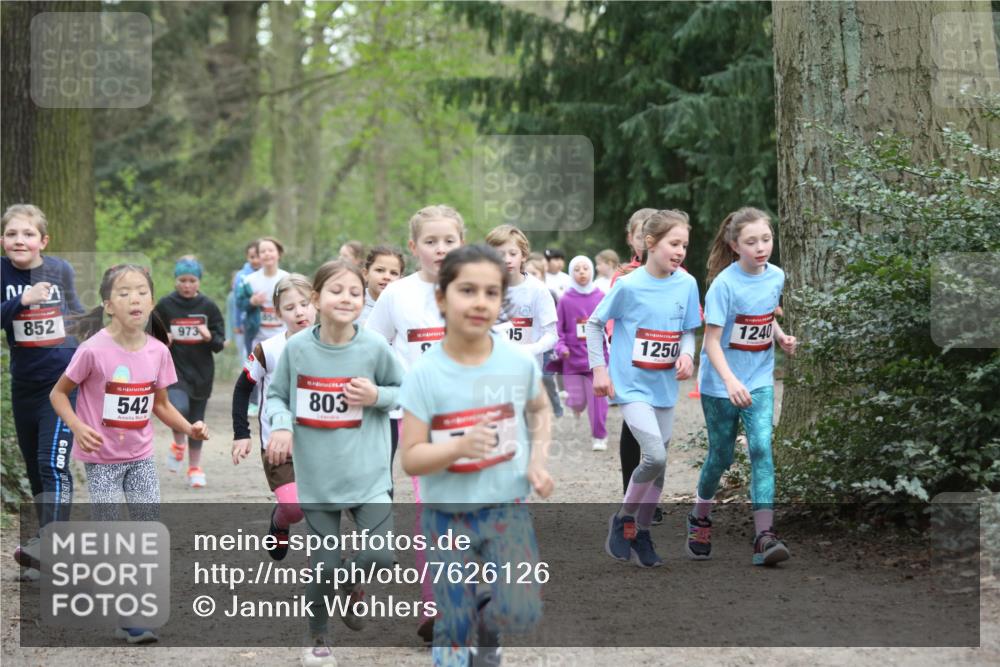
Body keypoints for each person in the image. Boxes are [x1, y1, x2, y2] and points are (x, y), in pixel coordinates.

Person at [399, 244, 554, 667]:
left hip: (506, 507)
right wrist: (458, 447)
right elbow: (410, 458)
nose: (480, 302)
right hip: (447, 514)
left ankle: (489, 625)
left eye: (491, 292)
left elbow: (540, 410)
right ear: (441, 298)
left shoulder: (516, 362)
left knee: (518, 605)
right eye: (467, 290)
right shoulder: (423, 375)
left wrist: (537, 462)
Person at [49, 264, 208, 644]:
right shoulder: (93, 350)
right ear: (107, 305)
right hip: (101, 461)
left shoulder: (158, 351)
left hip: (139, 457)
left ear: (152, 301)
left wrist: (189, 428)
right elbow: (58, 394)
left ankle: (131, 616)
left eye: (140, 291)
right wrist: (77, 426)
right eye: (123, 293)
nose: (133, 298)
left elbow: (161, 405)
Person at [265, 260, 402, 666]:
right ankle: (318, 636)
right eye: (336, 291)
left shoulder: (375, 346)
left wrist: (375, 396)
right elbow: (276, 397)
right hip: (318, 477)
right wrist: (282, 425)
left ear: (364, 300)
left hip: (369, 473)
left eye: (355, 293)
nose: (346, 299)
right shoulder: (298, 348)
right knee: (322, 567)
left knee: (381, 555)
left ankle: (353, 580)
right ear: (316, 299)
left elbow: (405, 389)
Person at [365, 204, 465, 641]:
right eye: (430, 241)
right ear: (414, 247)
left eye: (449, 240)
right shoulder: (397, 295)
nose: (440, 248)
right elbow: (368, 348)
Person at [587, 210, 701, 567]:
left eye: (684, 244)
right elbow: (594, 324)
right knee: (655, 456)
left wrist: (686, 354)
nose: (680, 251)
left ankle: (643, 532)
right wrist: (599, 371)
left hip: (664, 386)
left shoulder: (687, 283)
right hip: (631, 385)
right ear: (650, 244)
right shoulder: (628, 285)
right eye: (673, 243)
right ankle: (623, 519)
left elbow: (688, 330)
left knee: (659, 471)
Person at [687, 207, 797, 566]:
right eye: (751, 242)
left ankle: (764, 536)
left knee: (762, 449)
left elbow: (763, 315)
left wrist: (780, 336)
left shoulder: (776, 276)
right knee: (721, 456)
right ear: (735, 245)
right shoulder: (724, 285)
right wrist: (730, 381)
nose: (761, 247)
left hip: (760, 379)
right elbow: (712, 343)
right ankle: (700, 516)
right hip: (721, 384)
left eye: (766, 239)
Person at [2, 204, 83, 578]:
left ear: (43, 241)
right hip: (25, 386)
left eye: (28, 234)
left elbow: (76, 312)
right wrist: (22, 300)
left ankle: (51, 546)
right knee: (37, 471)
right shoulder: (1, 273)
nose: (20, 240)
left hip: (62, 383)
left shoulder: (60, 270)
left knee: (53, 464)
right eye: (12, 234)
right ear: (3, 240)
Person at [231, 274, 315, 561]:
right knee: (295, 509)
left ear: (316, 303)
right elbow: (243, 390)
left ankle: (317, 572)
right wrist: (242, 433)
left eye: (305, 304)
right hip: (278, 445)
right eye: (290, 308)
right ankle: (280, 521)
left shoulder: (333, 346)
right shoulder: (268, 350)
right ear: (278, 314)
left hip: (321, 443)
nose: (300, 312)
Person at [155, 256, 225, 488]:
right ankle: (178, 444)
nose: (187, 285)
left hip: (202, 372)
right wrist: (163, 338)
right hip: (174, 370)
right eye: (182, 280)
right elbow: (150, 334)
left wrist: (209, 337)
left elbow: (220, 343)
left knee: (197, 420)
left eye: (192, 280)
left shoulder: (208, 306)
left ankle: (195, 467)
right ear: (175, 280)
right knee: (178, 407)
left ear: (199, 281)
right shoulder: (165, 305)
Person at [553, 255, 609, 450]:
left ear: (592, 270)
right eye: (577, 269)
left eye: (585, 268)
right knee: (576, 401)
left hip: (597, 360)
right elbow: (558, 328)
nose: (582, 272)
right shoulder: (565, 300)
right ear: (571, 273)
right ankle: (577, 407)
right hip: (573, 361)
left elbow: (609, 326)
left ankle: (599, 436)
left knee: (598, 401)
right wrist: (561, 347)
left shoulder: (601, 297)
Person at [484, 223, 557, 361]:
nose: (507, 260)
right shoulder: (483, 290)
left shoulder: (538, 290)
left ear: (523, 256)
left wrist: (529, 350)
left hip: (528, 369)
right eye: (500, 254)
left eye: (513, 254)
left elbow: (552, 335)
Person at [236, 236, 289, 416]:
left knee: (282, 370)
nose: (267, 254)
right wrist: (251, 301)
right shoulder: (249, 280)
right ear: (258, 256)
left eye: (270, 250)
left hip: (282, 333)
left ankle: (283, 403)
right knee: (256, 371)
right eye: (262, 251)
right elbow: (239, 303)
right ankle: (256, 404)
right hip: (257, 334)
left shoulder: (286, 279)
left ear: (278, 253)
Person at [358, 245, 404, 327]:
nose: (387, 277)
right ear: (365, 274)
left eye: (393, 273)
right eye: (379, 270)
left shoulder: (405, 310)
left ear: (401, 279)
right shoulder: (354, 307)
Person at [231, 239, 261, 365]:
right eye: (252, 257)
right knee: (250, 355)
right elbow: (236, 302)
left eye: (258, 256)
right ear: (247, 257)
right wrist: (237, 324)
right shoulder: (241, 276)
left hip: (268, 323)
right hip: (247, 321)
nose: (255, 260)